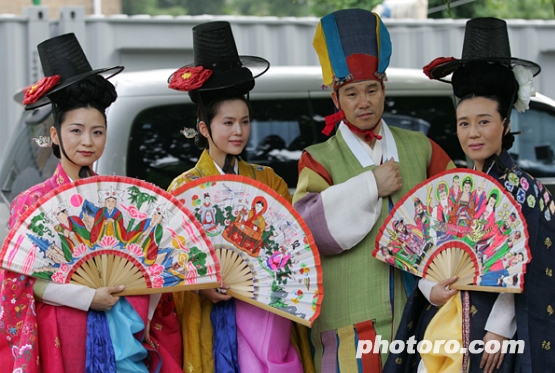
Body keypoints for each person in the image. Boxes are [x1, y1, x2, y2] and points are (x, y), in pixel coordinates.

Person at [385, 17, 555, 373]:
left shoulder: (526, 192)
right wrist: (429, 288)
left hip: (497, 334)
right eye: (464, 123)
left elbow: (536, 269)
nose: (473, 133)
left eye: (484, 121)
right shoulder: (451, 188)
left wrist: (498, 329)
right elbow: (424, 249)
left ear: (506, 125)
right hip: (443, 323)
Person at [0, 33, 182, 373]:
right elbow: (20, 283)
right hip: (62, 330)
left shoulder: (120, 201)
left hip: (124, 327)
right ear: (55, 136)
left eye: (97, 132)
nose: (88, 141)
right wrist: (85, 297)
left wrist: (136, 287)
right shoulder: (31, 202)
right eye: (76, 131)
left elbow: (152, 269)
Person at [291, 8, 454, 372]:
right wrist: (369, 186)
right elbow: (304, 229)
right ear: (336, 99)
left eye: (371, 90)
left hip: (421, 316)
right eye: (351, 93)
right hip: (348, 324)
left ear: (384, 89)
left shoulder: (422, 149)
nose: (363, 102)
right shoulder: (318, 159)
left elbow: (459, 213)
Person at [166, 21, 313, 373]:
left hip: (265, 315)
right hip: (207, 316)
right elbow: (170, 265)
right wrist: (201, 287)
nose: (238, 132)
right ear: (205, 128)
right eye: (227, 123)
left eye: (244, 122)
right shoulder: (182, 188)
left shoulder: (269, 181)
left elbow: (289, 252)